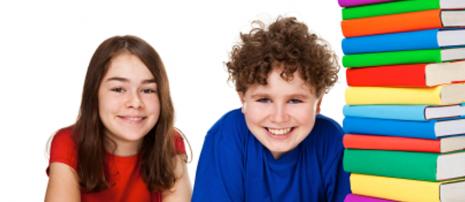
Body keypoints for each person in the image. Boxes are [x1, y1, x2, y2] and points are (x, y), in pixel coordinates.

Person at [192, 17, 350, 202]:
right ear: (243, 98)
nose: (279, 117)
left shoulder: (332, 140)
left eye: (295, 101)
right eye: (264, 100)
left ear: (319, 102)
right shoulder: (227, 135)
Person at [45, 35, 191, 202]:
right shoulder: (68, 142)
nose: (135, 102)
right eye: (119, 89)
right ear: (94, 93)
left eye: (148, 90)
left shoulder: (170, 142)